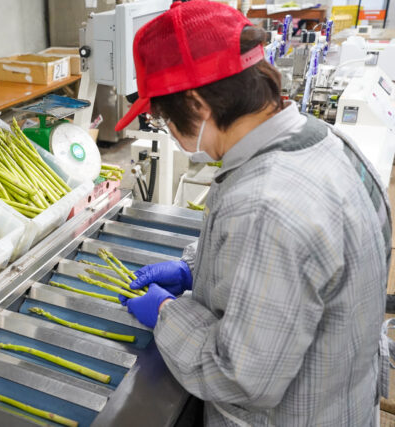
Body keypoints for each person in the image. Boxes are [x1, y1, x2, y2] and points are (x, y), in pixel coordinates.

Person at [114, 2, 392, 426]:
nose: (169, 130)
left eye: (166, 117)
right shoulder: (325, 140)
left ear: (197, 104)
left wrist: (168, 314)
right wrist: (194, 269)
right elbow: (290, 272)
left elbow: (239, 378)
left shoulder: (266, 204)